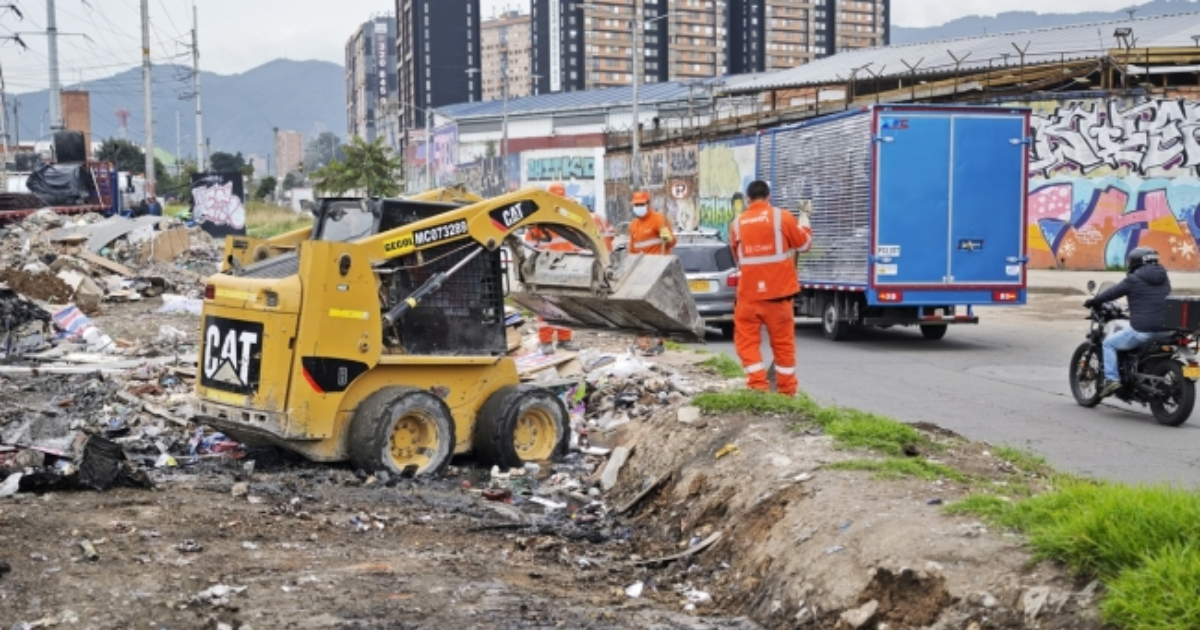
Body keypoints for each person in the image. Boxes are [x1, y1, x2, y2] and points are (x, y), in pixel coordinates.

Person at [729, 180, 812, 396]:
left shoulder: (737, 224)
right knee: (783, 346)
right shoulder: (782, 217)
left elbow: (737, 256)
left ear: (747, 200)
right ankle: (786, 392)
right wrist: (804, 221)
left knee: (746, 342)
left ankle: (757, 385)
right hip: (779, 296)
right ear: (769, 197)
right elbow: (804, 245)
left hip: (748, 297)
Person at [1084, 247, 1172, 397]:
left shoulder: (1134, 279)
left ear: (1136, 262)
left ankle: (1112, 380)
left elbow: (1113, 292)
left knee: (1109, 344)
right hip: (1164, 329)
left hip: (1143, 329)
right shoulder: (1164, 278)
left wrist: (1093, 301)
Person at [627, 191, 674, 255]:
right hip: (642, 263)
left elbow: (672, 243)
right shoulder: (633, 225)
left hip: (658, 262)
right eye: (636, 205)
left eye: (641, 204)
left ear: (648, 204)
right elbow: (632, 250)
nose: (639, 207)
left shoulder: (659, 220)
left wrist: (667, 238)